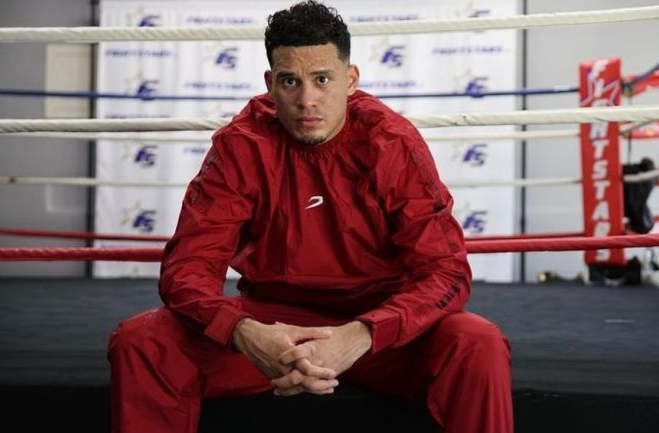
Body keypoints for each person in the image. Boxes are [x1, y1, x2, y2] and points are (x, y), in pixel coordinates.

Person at [108, 2, 513, 432]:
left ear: (350, 79)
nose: (307, 101)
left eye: (322, 79)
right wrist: (245, 332)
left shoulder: (390, 143)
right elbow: (187, 269)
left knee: (477, 343)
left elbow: (446, 272)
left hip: (378, 329)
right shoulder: (241, 145)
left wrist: (363, 334)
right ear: (270, 84)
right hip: (272, 328)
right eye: (290, 81)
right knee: (142, 341)